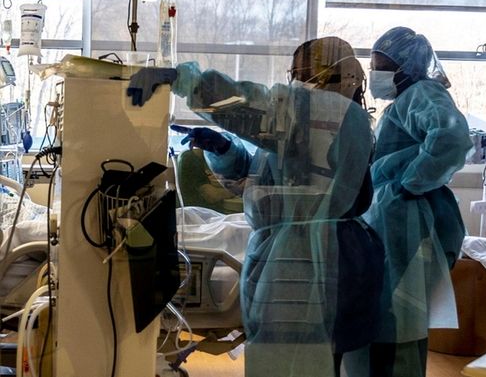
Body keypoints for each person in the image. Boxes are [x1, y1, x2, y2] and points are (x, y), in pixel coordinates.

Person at [128, 36, 384, 377]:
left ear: (333, 73)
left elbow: (249, 106)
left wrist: (185, 81)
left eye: (305, 69)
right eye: (295, 70)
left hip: (311, 260)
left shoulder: (332, 114)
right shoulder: (311, 120)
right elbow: (265, 171)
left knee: (298, 363)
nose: (296, 78)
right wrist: (224, 150)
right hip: (298, 250)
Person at [350, 26, 473, 377]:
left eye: (382, 65)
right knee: (388, 311)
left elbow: (450, 137)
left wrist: (410, 184)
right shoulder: (402, 104)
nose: (376, 75)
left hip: (406, 216)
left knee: (399, 312)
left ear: (407, 66)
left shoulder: (423, 93)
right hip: (393, 213)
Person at [176, 147, 242, 214]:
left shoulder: (193, 156)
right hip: (202, 214)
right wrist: (236, 191)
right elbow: (211, 196)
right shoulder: (190, 159)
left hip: (203, 212)